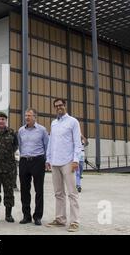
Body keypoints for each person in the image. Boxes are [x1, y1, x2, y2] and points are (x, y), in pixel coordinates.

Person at [45, 98, 82, 232]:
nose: (58, 107)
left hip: (68, 162)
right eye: (56, 106)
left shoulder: (73, 122)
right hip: (55, 162)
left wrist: (76, 160)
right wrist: (48, 159)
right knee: (58, 193)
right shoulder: (54, 123)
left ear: (65, 106)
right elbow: (51, 142)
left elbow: (77, 142)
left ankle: (75, 221)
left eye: (60, 105)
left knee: (72, 193)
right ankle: (60, 219)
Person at [17, 109, 49, 226]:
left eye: (29, 115)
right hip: (24, 161)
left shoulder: (42, 130)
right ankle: (26, 216)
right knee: (24, 190)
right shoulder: (21, 130)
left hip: (38, 161)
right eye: (26, 115)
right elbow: (20, 146)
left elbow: (47, 146)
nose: (27, 117)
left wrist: (46, 161)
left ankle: (38, 216)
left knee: (38, 190)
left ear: (35, 117)